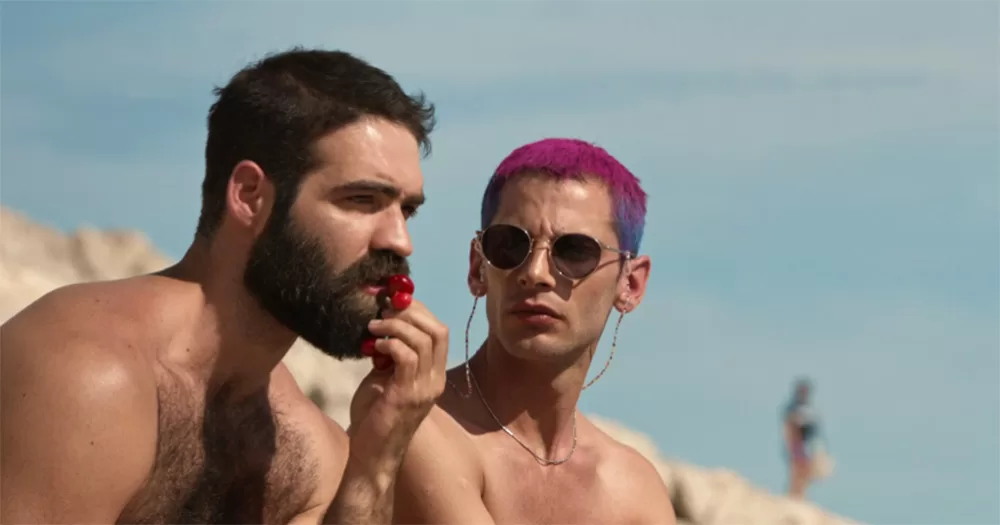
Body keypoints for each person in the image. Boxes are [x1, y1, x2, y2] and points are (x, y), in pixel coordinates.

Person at [0, 48, 449, 524]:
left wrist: (375, 464)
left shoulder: (308, 450)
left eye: (407, 210)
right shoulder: (86, 374)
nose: (400, 240)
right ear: (250, 196)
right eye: (362, 199)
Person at [392, 138, 676, 524]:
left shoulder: (633, 489)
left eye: (574, 252)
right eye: (509, 246)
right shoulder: (423, 427)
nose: (535, 273)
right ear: (478, 267)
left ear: (631, 284)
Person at [782, 377, 830, 499]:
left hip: (808, 444)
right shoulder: (792, 409)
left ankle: (799, 495)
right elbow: (789, 429)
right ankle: (794, 496)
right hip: (797, 444)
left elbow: (815, 430)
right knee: (798, 471)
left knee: (808, 472)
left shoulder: (809, 409)